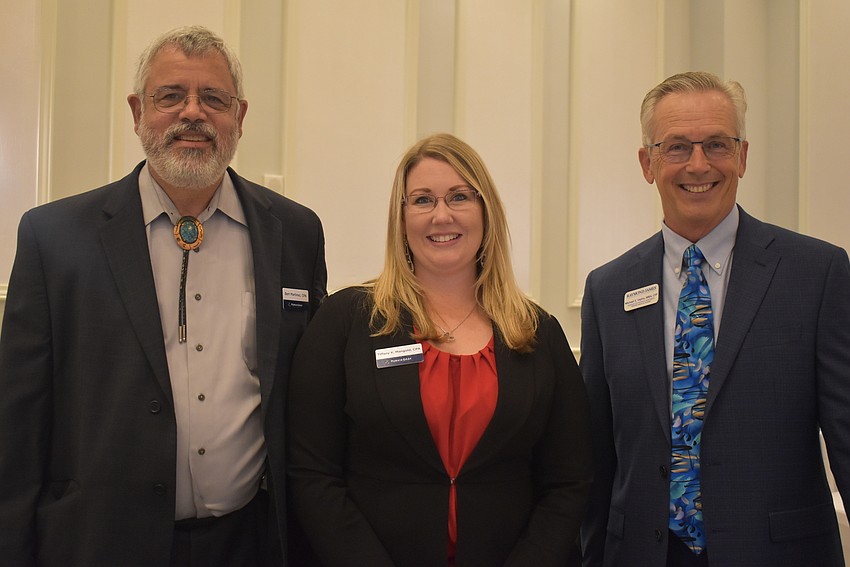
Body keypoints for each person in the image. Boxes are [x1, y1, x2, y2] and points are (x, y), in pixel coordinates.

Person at [0, 26, 327, 566]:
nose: (192, 113)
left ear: (240, 117)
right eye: (171, 96)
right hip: (99, 542)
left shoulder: (294, 232)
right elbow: (17, 427)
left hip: (249, 543)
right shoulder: (54, 238)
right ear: (137, 111)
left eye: (213, 99)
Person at [580, 70, 850, 567]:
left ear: (743, 156)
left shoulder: (817, 274)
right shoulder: (608, 289)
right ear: (648, 163)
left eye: (718, 145)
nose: (698, 164)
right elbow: (596, 457)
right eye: (677, 146)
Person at [286, 133, 593, 566]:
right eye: (423, 200)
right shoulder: (345, 321)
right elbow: (312, 474)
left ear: (486, 212)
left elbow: (569, 481)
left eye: (459, 197)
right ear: (402, 217)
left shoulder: (537, 332)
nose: (441, 215)